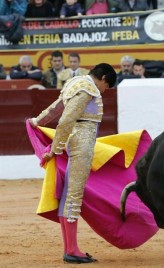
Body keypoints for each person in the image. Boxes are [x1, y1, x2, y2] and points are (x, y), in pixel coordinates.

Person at [29, 63, 117, 264]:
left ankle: (70, 247)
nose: (104, 90)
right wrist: (53, 150)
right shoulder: (89, 88)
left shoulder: (74, 83)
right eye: (107, 86)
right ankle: (72, 249)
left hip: (74, 142)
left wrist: (37, 121)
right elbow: (66, 118)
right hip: (82, 144)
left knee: (69, 194)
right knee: (74, 195)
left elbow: (56, 108)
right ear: (103, 78)